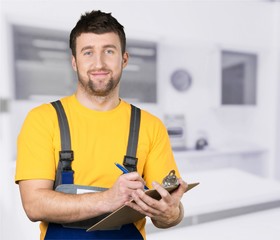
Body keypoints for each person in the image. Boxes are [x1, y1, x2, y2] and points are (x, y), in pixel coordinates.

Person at [15, 10, 188, 240]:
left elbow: (168, 211)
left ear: (124, 59)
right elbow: (34, 205)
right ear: (75, 62)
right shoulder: (43, 119)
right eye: (88, 52)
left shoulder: (150, 126)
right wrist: (108, 199)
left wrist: (171, 213)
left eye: (109, 51)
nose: (99, 63)